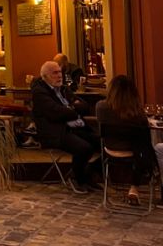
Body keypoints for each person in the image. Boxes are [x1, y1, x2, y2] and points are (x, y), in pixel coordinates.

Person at [31, 60, 100, 193]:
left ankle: (87, 173)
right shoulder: (39, 92)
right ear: (45, 77)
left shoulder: (63, 89)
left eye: (60, 72)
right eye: (55, 73)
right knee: (84, 148)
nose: (59, 76)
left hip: (76, 128)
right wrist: (73, 109)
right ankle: (79, 179)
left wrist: (69, 109)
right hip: (56, 132)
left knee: (103, 144)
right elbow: (55, 112)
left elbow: (85, 107)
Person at [96, 75, 156, 206]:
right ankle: (134, 187)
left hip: (110, 149)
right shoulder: (137, 113)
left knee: (141, 147)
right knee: (145, 148)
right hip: (133, 153)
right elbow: (145, 138)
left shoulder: (101, 107)